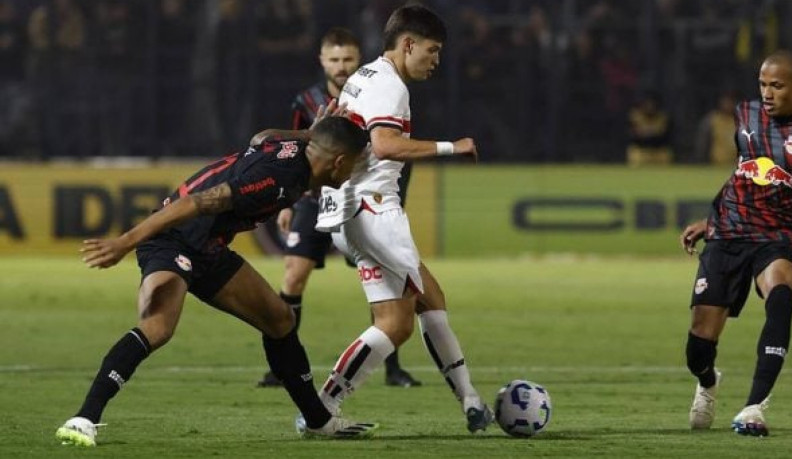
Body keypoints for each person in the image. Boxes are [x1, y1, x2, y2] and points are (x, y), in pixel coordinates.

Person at [55, 112, 378, 447]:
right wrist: (125, 241)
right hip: (173, 238)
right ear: (338, 161)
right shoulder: (277, 180)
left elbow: (260, 137)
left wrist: (307, 133)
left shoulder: (293, 149)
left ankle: (317, 421)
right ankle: (84, 418)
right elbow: (198, 201)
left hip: (209, 247)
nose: (355, 170)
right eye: (354, 163)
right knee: (158, 326)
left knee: (280, 319)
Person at [306, 5, 494, 434]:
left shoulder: (363, 76)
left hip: (349, 211)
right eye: (432, 49)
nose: (436, 60)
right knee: (420, 308)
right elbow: (386, 146)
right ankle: (470, 401)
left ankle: (323, 408)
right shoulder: (390, 87)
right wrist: (454, 147)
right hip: (374, 212)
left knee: (403, 318)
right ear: (408, 44)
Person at [257, 27, 420, 389]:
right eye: (334, 60)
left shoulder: (373, 97)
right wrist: (290, 202)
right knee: (293, 276)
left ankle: (394, 369)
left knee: (384, 283)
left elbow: (390, 153)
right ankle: (282, 368)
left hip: (357, 201)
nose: (341, 67)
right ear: (322, 61)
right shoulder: (306, 102)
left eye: (348, 59)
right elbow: (297, 152)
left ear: (358, 58)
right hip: (314, 201)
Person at [680, 50, 792, 437]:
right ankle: (708, 382)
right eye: (763, 84)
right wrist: (712, 221)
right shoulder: (745, 114)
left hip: (779, 236)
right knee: (698, 347)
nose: (768, 93)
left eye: (777, 85)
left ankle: (754, 407)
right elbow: (744, 174)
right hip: (729, 233)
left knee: (781, 295)